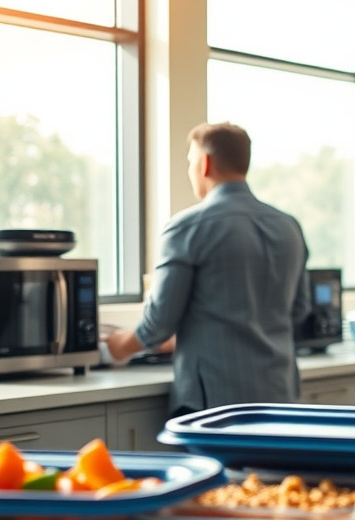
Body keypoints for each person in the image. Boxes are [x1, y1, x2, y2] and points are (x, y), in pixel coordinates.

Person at [104, 123, 311, 415]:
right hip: (280, 392)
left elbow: (159, 322)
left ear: (205, 163)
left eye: (191, 161)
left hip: (216, 403)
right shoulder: (289, 226)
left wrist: (117, 346)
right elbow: (299, 310)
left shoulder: (188, 226)